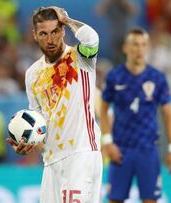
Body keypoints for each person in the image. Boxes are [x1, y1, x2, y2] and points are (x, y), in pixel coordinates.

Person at [6, 6, 102, 203]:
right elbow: (39, 124)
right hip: (51, 162)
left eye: (55, 31)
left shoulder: (80, 57)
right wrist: (29, 143)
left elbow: (92, 39)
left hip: (81, 155)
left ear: (62, 31)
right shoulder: (32, 74)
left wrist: (67, 19)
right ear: (34, 35)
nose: (50, 40)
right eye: (43, 34)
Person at [100, 28, 171, 203]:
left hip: (147, 149)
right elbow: (103, 109)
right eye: (135, 44)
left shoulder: (157, 78)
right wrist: (107, 141)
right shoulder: (114, 76)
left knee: (150, 200)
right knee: (114, 199)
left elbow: (168, 114)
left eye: (143, 45)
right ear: (125, 48)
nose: (139, 49)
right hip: (120, 149)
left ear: (148, 47)